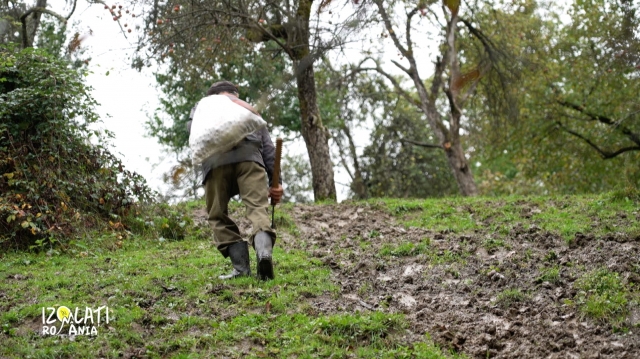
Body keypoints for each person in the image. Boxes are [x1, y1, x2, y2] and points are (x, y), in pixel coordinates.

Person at [187, 80, 284, 280]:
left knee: (217, 215)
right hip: (250, 159)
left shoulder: (203, 107)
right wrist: (277, 182)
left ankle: (241, 269)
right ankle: (264, 253)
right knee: (257, 208)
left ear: (213, 95)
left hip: (216, 163)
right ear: (233, 94)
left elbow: (193, 132)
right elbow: (268, 148)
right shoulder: (247, 110)